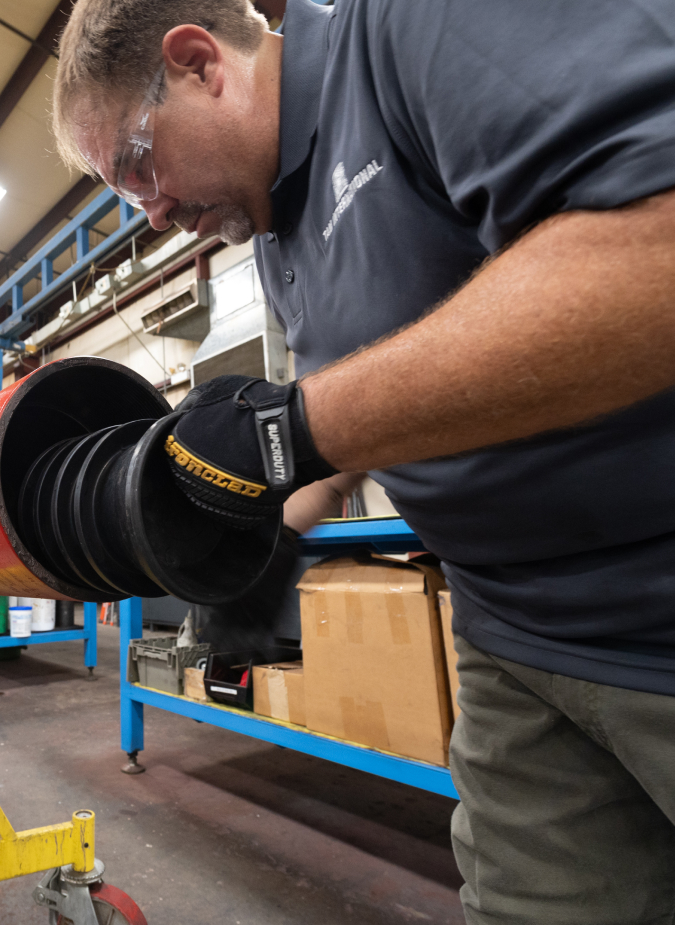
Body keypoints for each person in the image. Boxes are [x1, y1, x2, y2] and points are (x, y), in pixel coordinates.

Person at [51, 0, 675, 921]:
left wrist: (287, 433)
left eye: (137, 167)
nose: (153, 214)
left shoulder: (415, 29)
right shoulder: (273, 232)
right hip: (511, 633)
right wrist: (256, 538)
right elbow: (353, 415)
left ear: (197, 63)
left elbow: (652, 243)